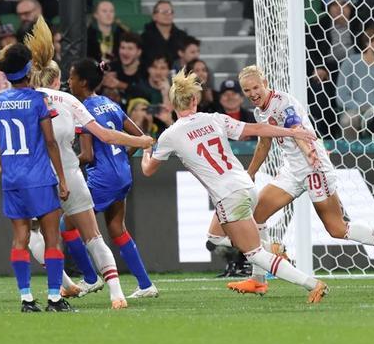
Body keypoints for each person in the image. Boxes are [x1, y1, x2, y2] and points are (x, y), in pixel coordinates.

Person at [0, 17, 155, 308]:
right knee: (93, 236)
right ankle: (116, 293)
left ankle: (58, 288)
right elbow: (106, 135)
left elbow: (3, 150)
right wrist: (141, 141)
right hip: (69, 174)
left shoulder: (12, 101)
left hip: (35, 177)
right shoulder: (67, 101)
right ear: (56, 79)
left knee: (33, 235)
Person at [222, 65, 374, 296]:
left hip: (314, 168)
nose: (252, 93)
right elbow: (265, 143)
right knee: (256, 215)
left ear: (265, 83)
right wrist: (250, 173)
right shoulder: (259, 112)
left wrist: (309, 153)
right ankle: (258, 279)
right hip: (292, 171)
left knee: (337, 228)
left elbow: (296, 128)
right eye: (247, 90)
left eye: (255, 87)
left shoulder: (284, 103)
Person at [140, 68, 329, 303]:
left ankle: (312, 284)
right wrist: (290, 131)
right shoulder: (214, 119)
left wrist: (147, 150)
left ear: (172, 103)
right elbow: (258, 129)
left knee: (254, 254)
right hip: (246, 187)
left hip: (229, 195)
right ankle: (271, 248)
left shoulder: (170, 135)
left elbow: (148, 170)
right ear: (194, 99)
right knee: (215, 238)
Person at [0, 42, 72, 312]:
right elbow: (50, 142)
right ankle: (54, 298)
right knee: (51, 237)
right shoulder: (39, 99)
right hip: (38, 178)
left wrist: (10, 170)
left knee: (20, 237)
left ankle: (26, 298)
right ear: (28, 70)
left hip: (12, 180)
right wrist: (62, 177)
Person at [71, 58, 159, 299]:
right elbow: (140, 137)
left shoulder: (83, 110)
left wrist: (66, 164)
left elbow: (87, 155)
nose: (69, 83)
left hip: (103, 179)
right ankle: (145, 284)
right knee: (116, 228)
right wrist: (121, 157)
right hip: (122, 174)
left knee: (66, 226)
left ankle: (90, 279)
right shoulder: (109, 103)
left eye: (72, 78)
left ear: (83, 82)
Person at [336, 27, 374, 138]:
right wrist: (362, 107)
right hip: (355, 110)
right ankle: (350, 154)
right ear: (367, 42)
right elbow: (341, 97)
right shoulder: (351, 62)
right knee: (348, 120)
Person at [103, 32, 146, 109]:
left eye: (130, 48)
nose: (125, 53)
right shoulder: (111, 68)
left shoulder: (146, 70)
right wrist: (103, 80)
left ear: (139, 52)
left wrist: (120, 85)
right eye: (122, 48)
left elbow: (147, 94)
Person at [140, 0, 188, 68]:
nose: (167, 14)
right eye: (163, 12)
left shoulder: (182, 36)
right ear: (154, 16)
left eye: (169, 12)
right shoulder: (144, 37)